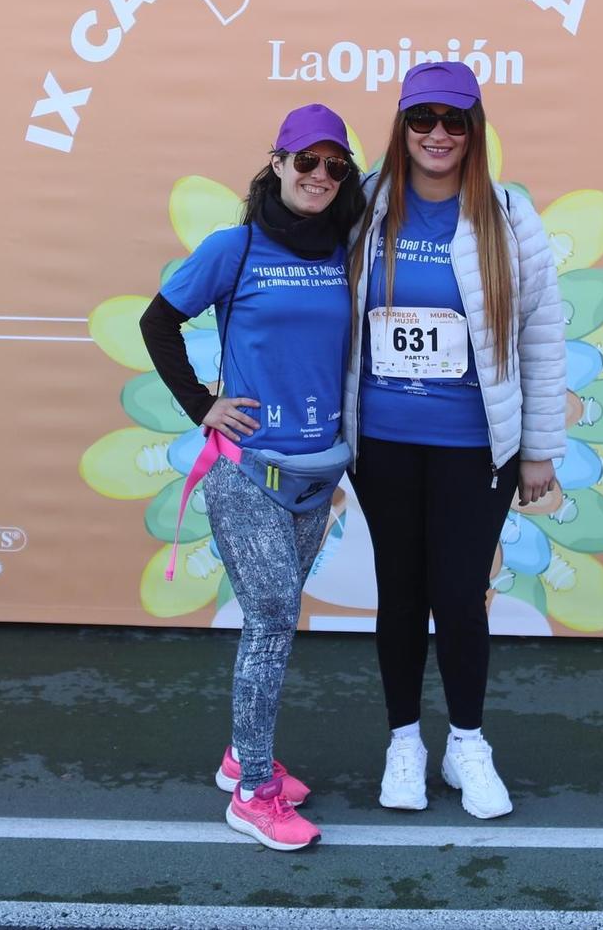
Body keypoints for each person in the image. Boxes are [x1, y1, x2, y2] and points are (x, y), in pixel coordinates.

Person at [342, 61, 566, 820]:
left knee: (461, 598)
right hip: (383, 438)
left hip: (477, 445)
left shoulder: (509, 216)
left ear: (476, 130)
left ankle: (466, 741)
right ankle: (403, 739)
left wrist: (539, 447)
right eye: (422, 118)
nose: (438, 133)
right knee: (400, 595)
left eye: (455, 119)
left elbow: (541, 331)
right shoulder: (363, 206)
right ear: (401, 126)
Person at [138, 103, 363, 852]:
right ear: (277, 162)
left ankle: (244, 751)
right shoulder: (234, 248)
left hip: (316, 476)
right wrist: (204, 404)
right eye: (307, 161)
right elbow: (157, 322)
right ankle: (253, 791)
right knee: (270, 618)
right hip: (245, 474)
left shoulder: (346, 250)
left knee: (279, 620)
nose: (320, 177)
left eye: (335, 165)